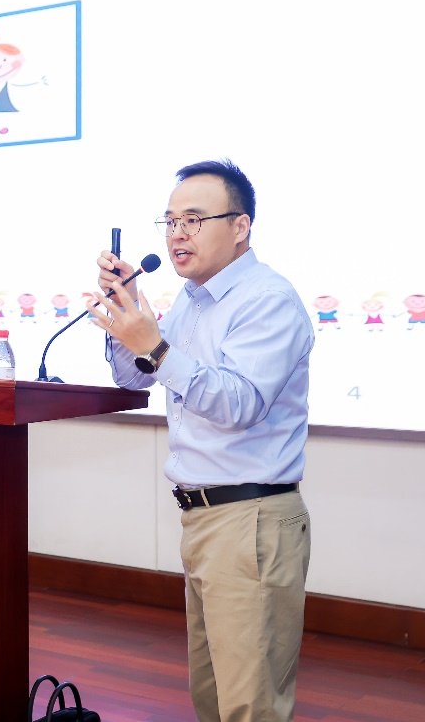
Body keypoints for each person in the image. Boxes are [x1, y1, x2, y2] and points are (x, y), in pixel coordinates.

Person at [91, 159, 314, 722]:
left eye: (193, 219)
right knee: (213, 699)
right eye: (170, 221)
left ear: (240, 226)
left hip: (250, 520)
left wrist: (155, 346)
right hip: (205, 520)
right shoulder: (193, 299)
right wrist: (130, 314)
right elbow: (137, 377)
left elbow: (239, 404)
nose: (177, 234)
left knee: (250, 706)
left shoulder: (267, 299)